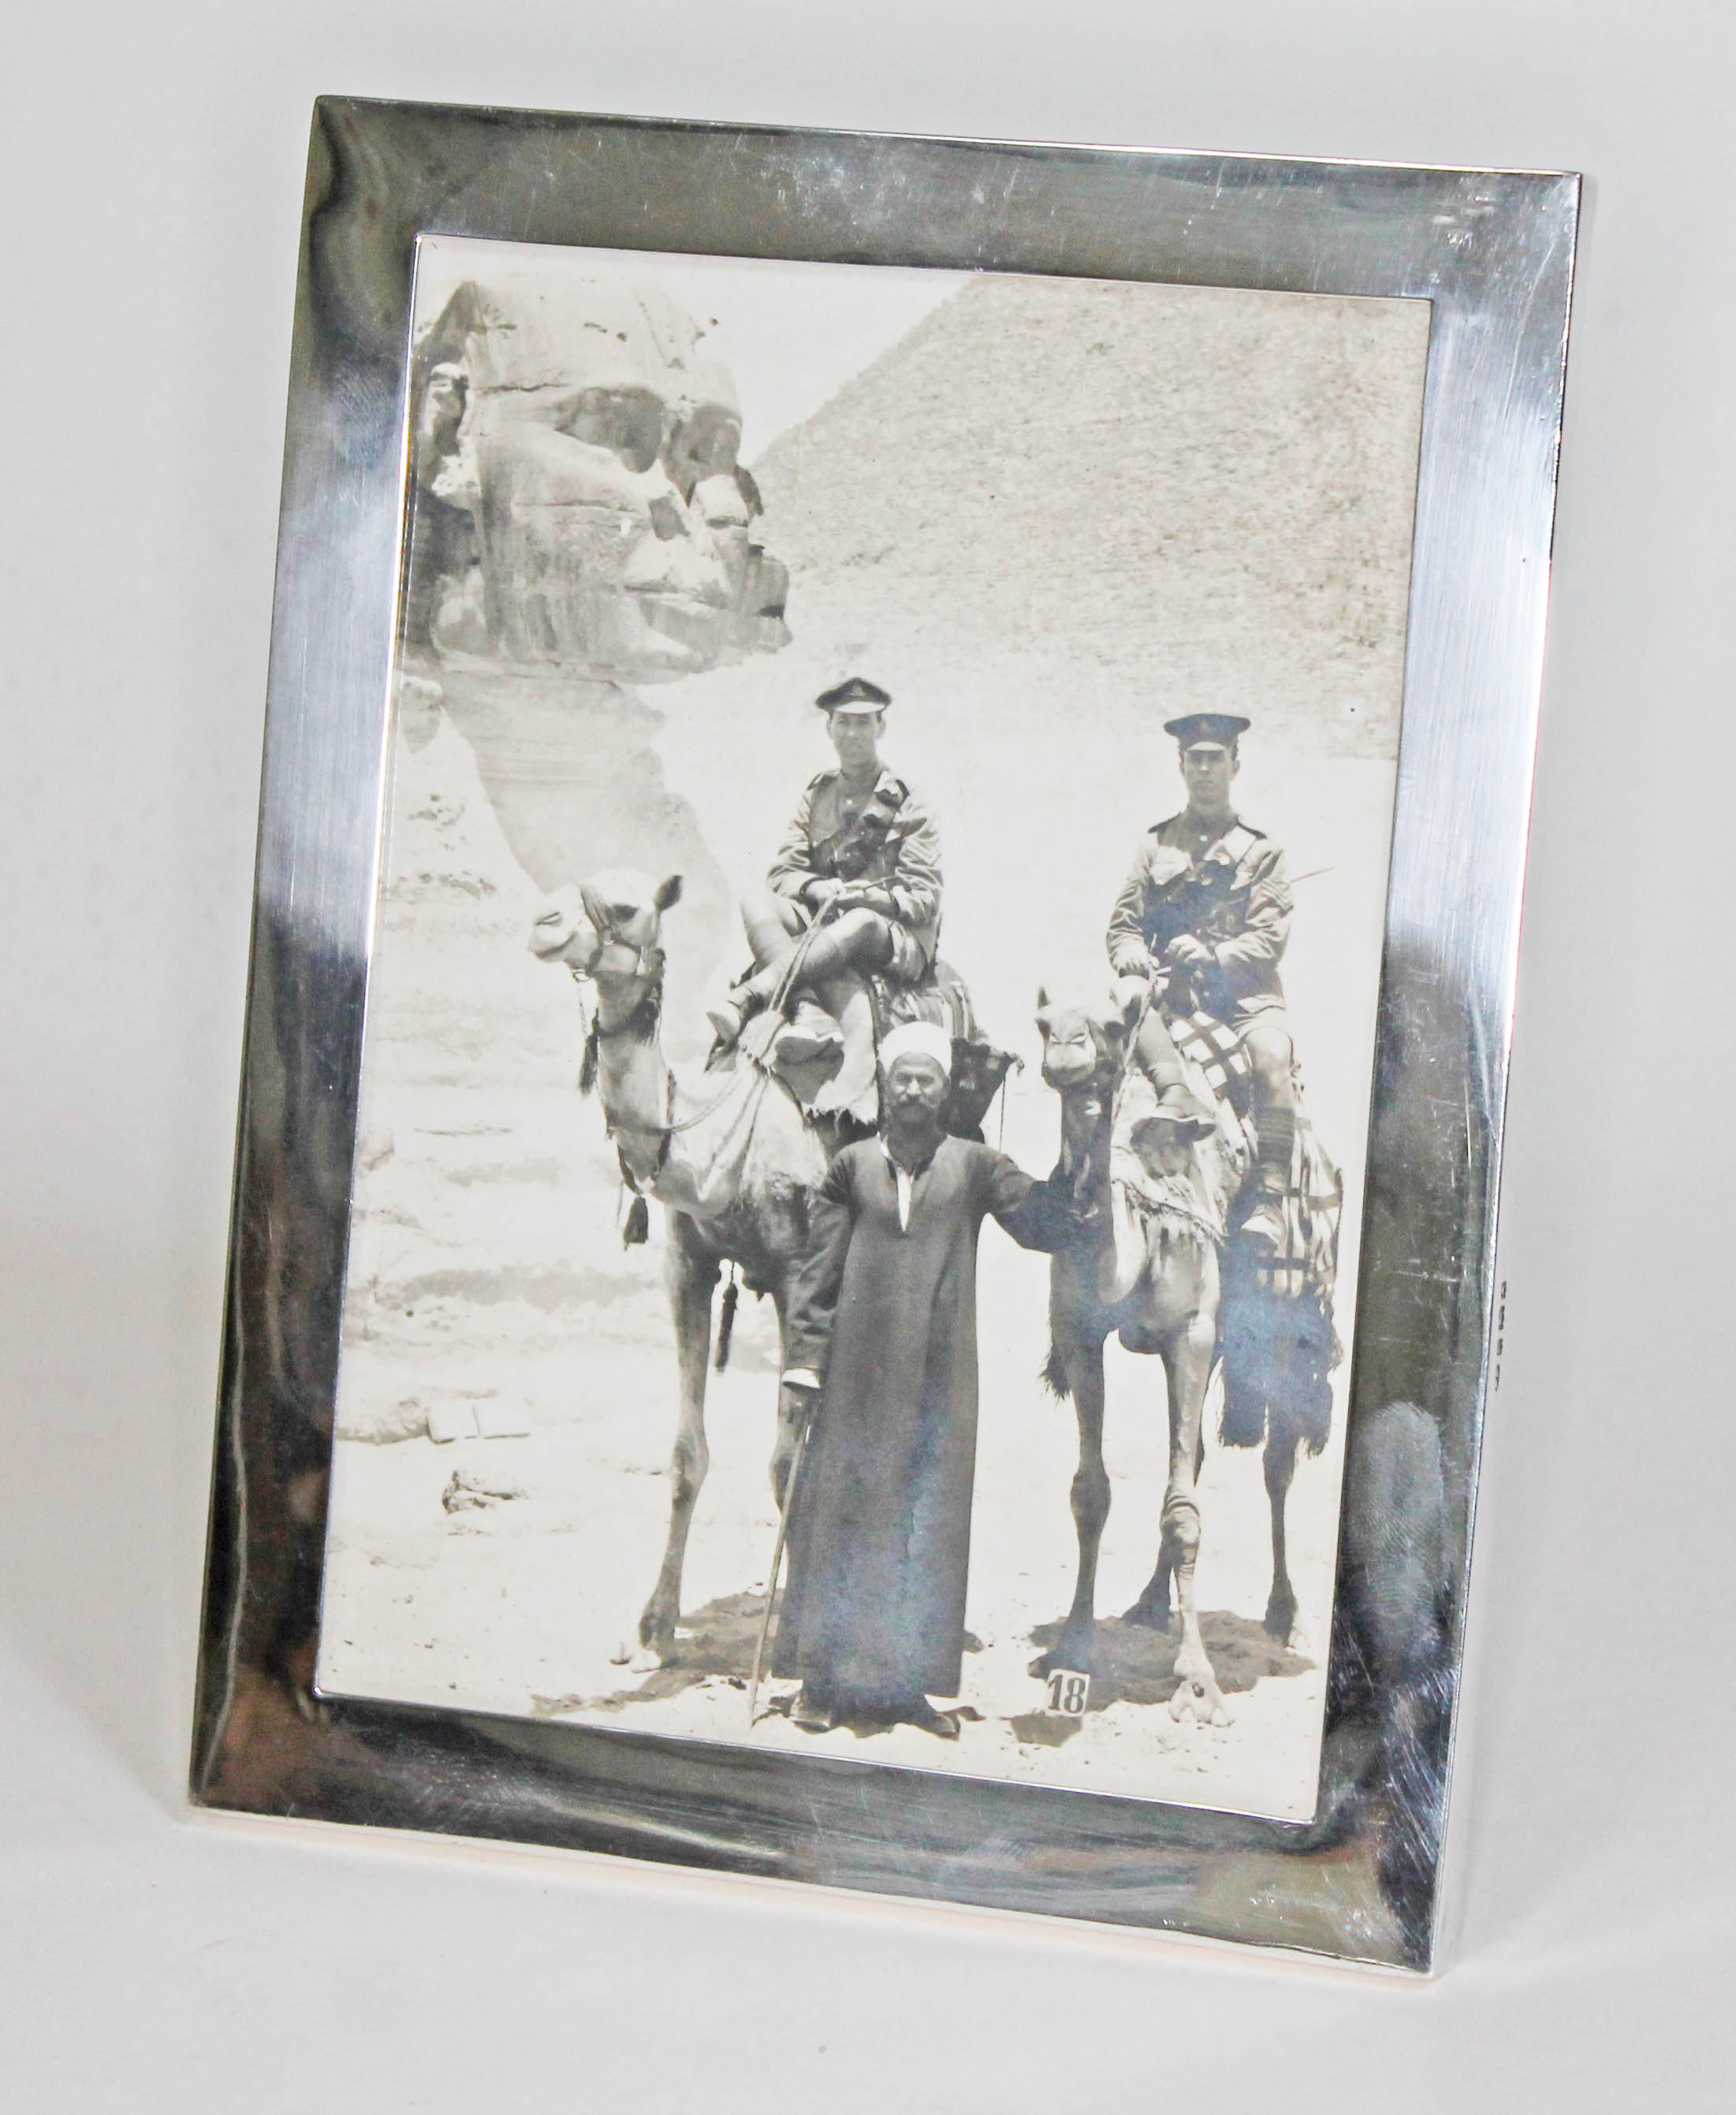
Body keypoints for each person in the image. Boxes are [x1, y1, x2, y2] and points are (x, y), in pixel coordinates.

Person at [771, 1023, 1080, 1737]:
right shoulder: (849, 1166)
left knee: (924, 1523)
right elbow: (814, 1279)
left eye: (927, 1080)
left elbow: (1043, 1222)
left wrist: (1082, 1151)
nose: (913, 1090)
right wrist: (803, 1367)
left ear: (946, 1090)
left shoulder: (973, 1165)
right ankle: (820, 1684)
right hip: (853, 1377)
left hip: (941, 1381)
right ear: (885, 1083)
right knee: (839, 1516)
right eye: (902, 1077)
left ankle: (906, 1690)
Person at [707, 678, 941, 1120]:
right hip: (825, 925)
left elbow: (924, 897)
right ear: (829, 730)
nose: (852, 735)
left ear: (881, 728)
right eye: (843, 724)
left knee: (859, 924)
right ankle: (808, 1006)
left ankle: (752, 995)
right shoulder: (817, 795)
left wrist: (864, 898)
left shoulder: (911, 805)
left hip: (891, 939)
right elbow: (782, 873)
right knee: (757, 901)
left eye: (863, 724)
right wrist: (817, 889)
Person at [1106, 712, 1298, 1250]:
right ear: (1181, 765)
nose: (1206, 769)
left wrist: (1212, 954)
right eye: (1197, 759)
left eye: (1216, 758)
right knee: (1112, 1029)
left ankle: (1270, 1200)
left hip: (1243, 997)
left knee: (1272, 1058)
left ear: (1236, 764)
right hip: (1172, 996)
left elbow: (1268, 941)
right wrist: (1135, 958)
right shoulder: (1156, 845)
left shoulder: (1262, 851)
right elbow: (1123, 927)